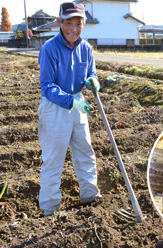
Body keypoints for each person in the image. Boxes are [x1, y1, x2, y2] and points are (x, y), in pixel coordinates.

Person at [38, 2, 101, 217]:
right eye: (68, 23)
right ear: (59, 22)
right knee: (54, 159)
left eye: (78, 23)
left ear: (84, 24)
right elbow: (47, 86)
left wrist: (93, 80)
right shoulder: (49, 49)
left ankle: (91, 198)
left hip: (78, 103)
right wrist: (71, 102)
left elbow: (91, 72)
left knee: (85, 152)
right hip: (55, 107)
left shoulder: (86, 48)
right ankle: (49, 209)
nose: (73, 29)